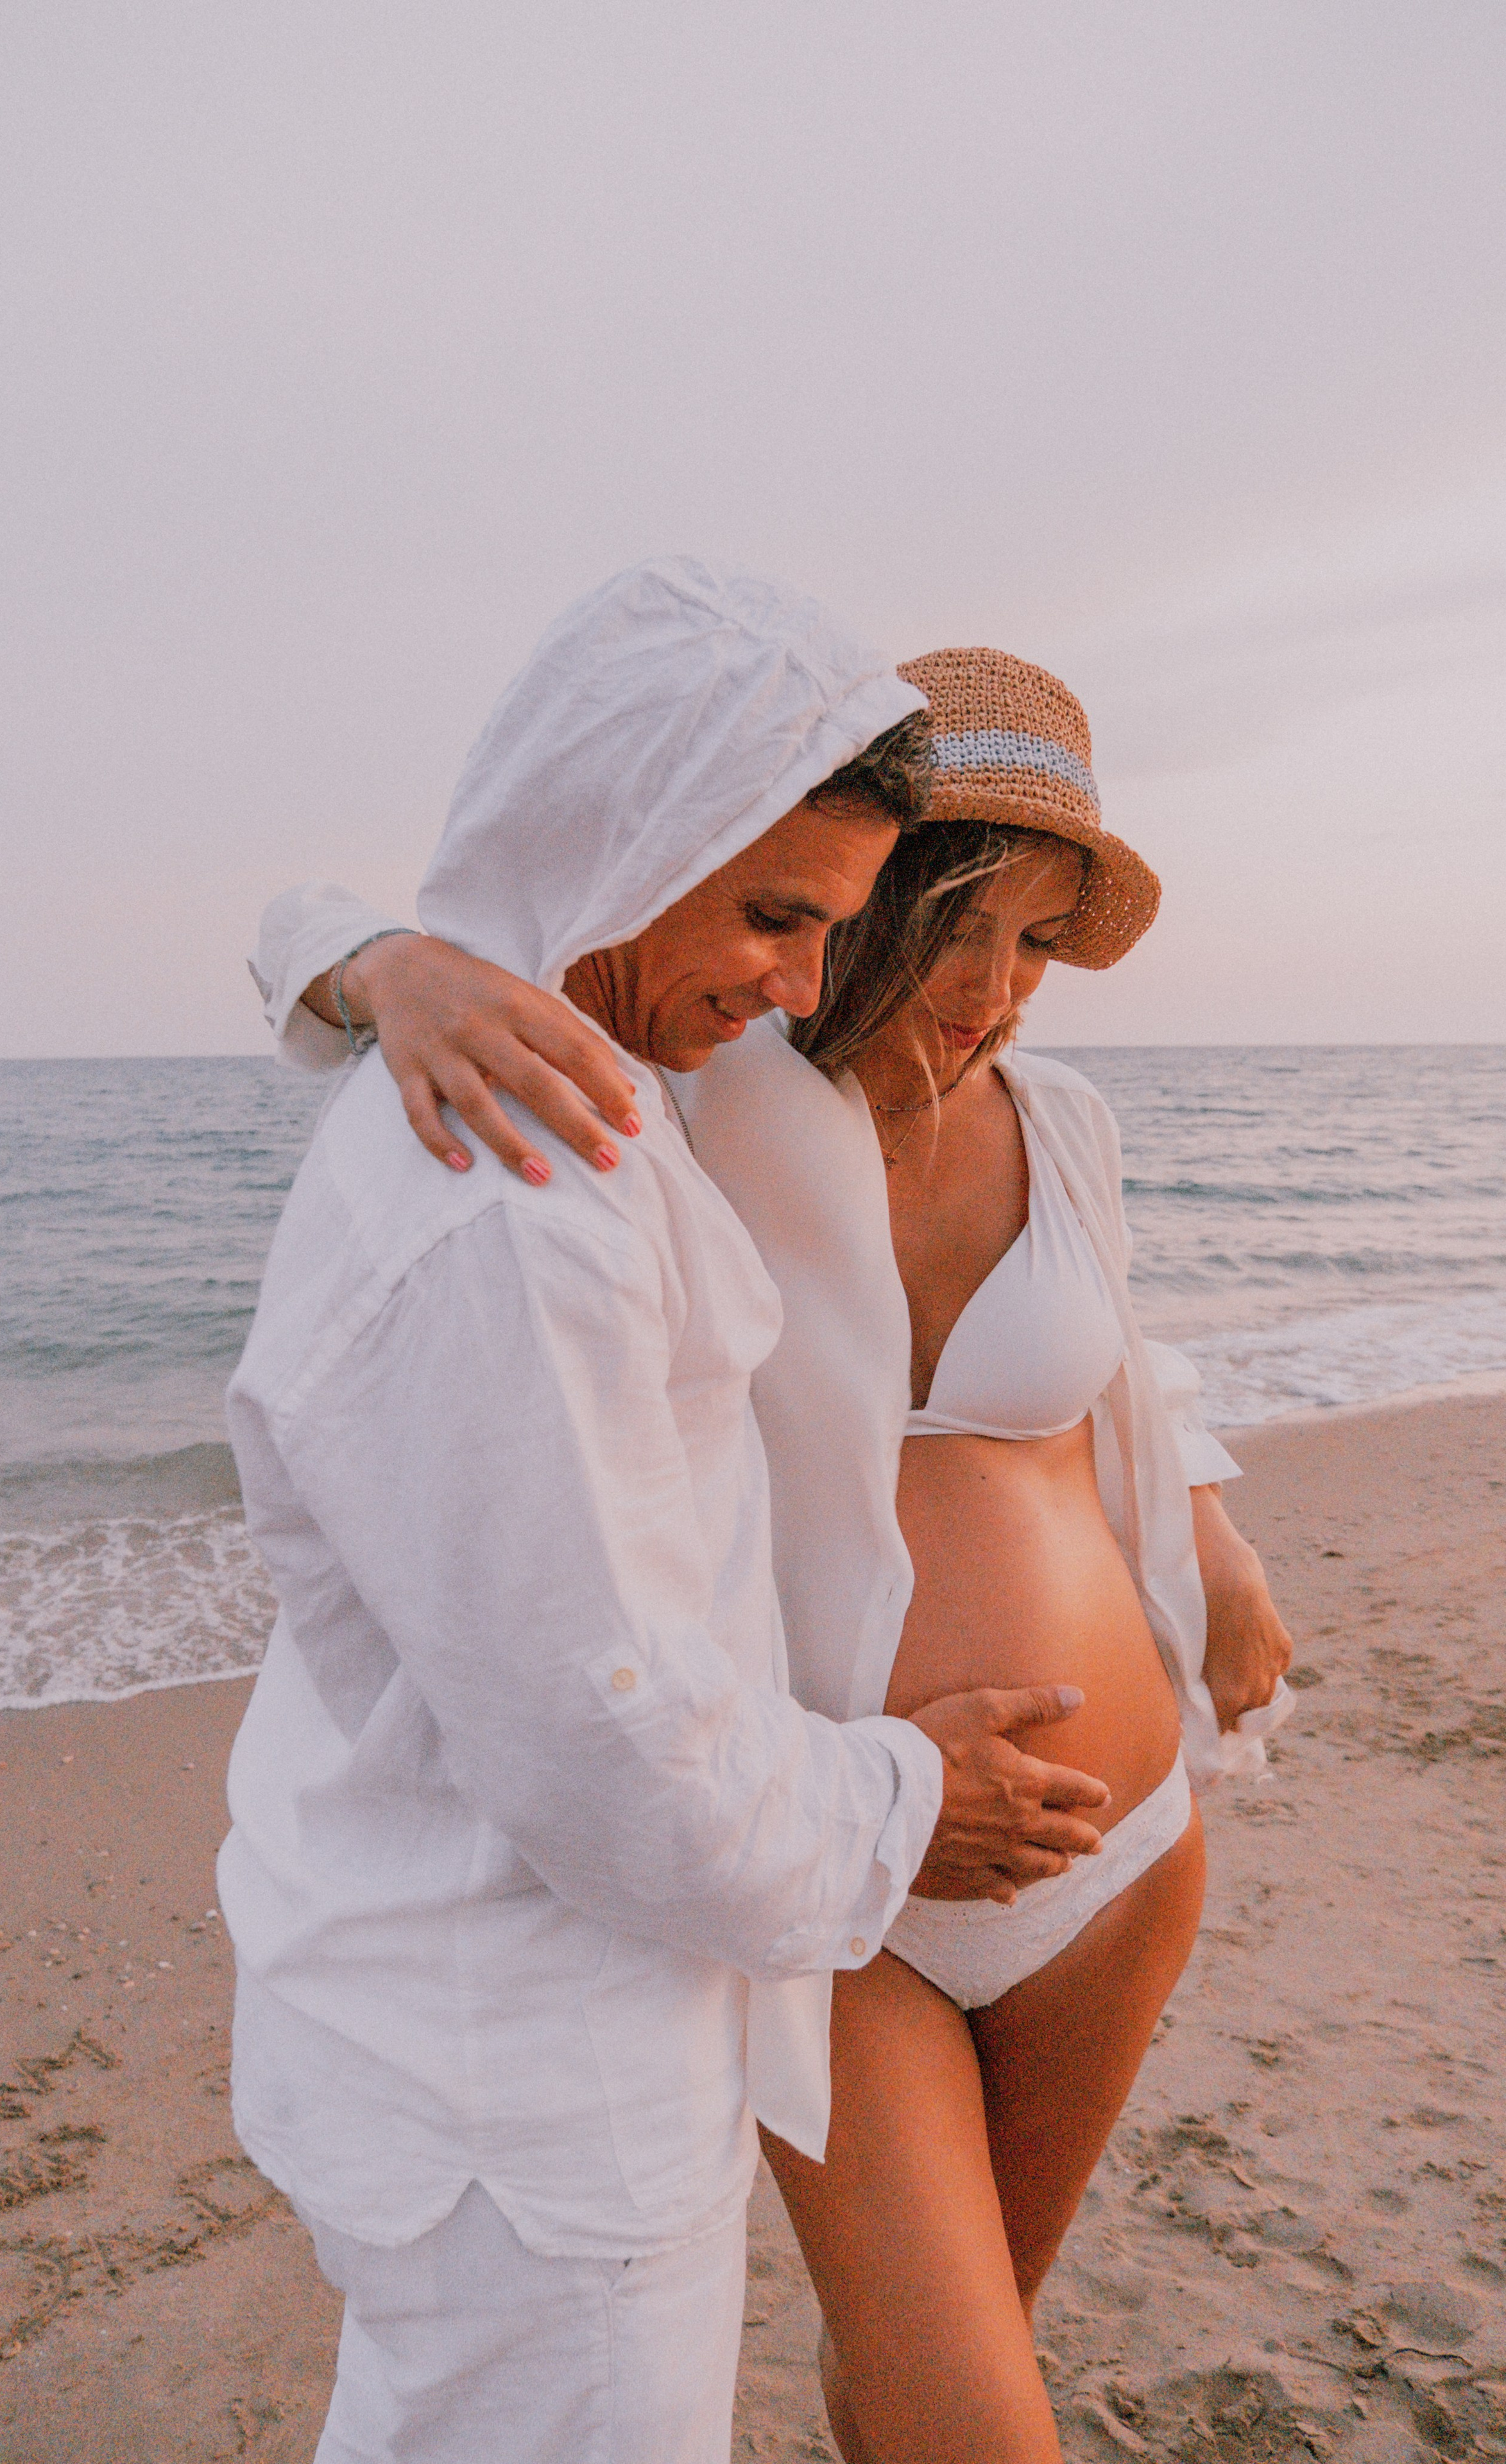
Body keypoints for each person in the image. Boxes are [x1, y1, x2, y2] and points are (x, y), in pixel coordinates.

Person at [259, 643, 1294, 2463]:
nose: (992, 995)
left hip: (1120, 1849)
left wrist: (1214, 1539)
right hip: (851, 1884)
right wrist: (387, 967)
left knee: (959, 2365)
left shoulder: (1068, 1125)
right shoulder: (691, 1082)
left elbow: (1124, 1351)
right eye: (955, 926)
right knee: (974, 2416)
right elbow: (441, 920)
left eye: (1040, 945)